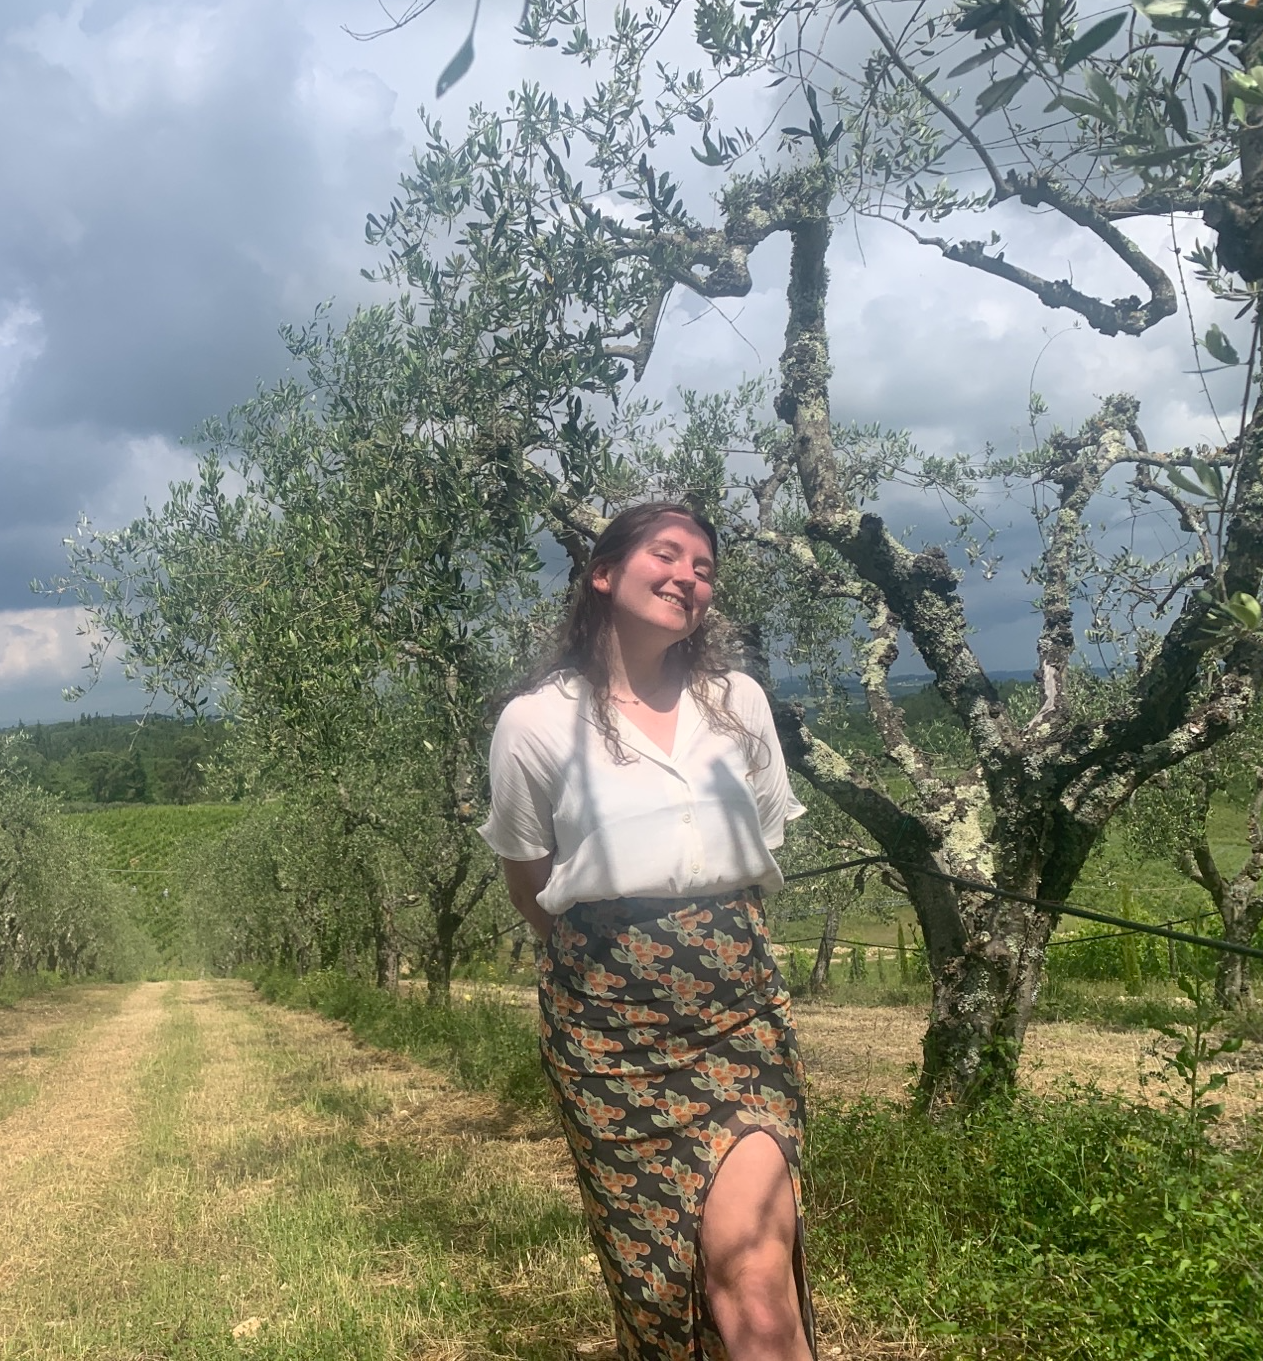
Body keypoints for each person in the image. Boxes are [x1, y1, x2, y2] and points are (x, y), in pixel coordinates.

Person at [478, 502, 816, 1361]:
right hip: (609, 1039)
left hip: (739, 1020)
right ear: (603, 573)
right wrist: (619, 958)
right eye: (666, 555)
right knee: (659, 1279)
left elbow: (762, 841)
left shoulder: (737, 703)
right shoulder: (534, 723)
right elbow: (530, 881)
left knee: (753, 1273)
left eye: (704, 568)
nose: (688, 577)